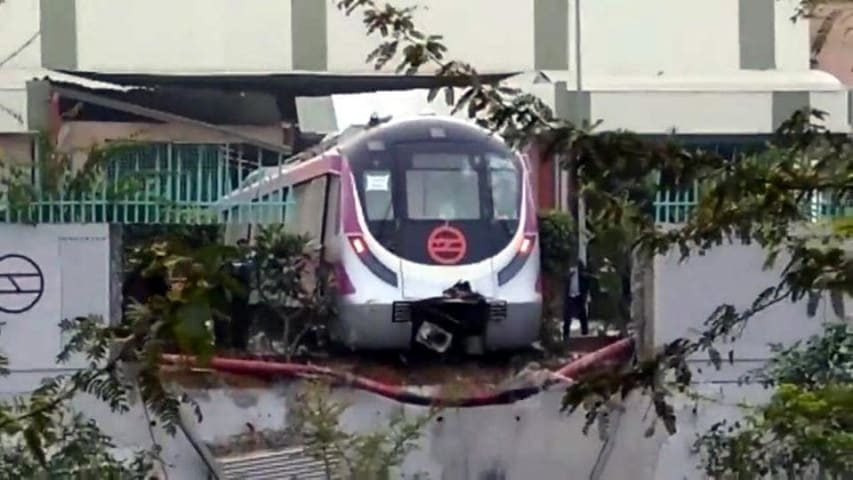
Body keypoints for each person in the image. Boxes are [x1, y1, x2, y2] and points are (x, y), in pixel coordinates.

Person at [563, 260, 590, 342]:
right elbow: (565, 279)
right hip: (570, 295)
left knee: (582, 315)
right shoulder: (569, 272)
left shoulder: (581, 272)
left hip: (579, 295)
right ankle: (566, 335)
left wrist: (585, 295)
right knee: (567, 316)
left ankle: (585, 332)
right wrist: (570, 275)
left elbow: (586, 282)